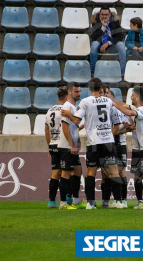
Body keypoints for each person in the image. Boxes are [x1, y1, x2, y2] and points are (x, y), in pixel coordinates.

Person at [62, 78, 124, 209]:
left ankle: (90, 203)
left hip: (94, 142)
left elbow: (77, 121)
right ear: (101, 89)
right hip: (108, 141)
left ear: (89, 88)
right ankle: (119, 202)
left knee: (91, 172)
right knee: (114, 172)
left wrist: (68, 114)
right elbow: (116, 123)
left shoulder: (85, 101)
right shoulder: (108, 101)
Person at [113, 86, 143, 209]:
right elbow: (126, 107)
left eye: (132, 95)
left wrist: (113, 104)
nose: (131, 97)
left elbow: (128, 111)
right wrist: (110, 100)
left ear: (137, 97)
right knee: (138, 174)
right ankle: (141, 202)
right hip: (141, 148)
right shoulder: (138, 108)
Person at [58, 82, 87, 210]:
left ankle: (75, 200)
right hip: (66, 147)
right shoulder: (67, 106)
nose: (78, 94)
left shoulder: (73, 107)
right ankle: (63, 203)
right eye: (76, 91)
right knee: (65, 174)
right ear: (69, 92)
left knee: (78, 171)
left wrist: (78, 139)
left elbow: (72, 126)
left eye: (79, 91)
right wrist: (71, 145)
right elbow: (64, 127)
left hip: (72, 146)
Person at [45, 87, 68, 209]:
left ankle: (51, 201)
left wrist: (49, 146)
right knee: (65, 173)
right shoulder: (65, 109)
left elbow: (46, 130)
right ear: (66, 96)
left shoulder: (50, 110)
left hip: (53, 144)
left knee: (55, 174)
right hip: (63, 144)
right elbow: (67, 127)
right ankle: (65, 201)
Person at [107, 89, 129, 208]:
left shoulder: (120, 110)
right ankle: (118, 200)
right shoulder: (106, 110)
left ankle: (122, 200)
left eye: (108, 96)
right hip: (111, 144)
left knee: (121, 172)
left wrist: (125, 127)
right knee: (113, 172)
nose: (106, 97)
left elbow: (127, 127)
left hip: (120, 143)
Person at [90, 6, 126, 76]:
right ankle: (93, 73)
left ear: (109, 14)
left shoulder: (115, 21)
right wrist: (103, 27)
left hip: (111, 44)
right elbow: (94, 37)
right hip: (100, 44)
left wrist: (108, 43)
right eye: (102, 14)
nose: (104, 16)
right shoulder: (95, 20)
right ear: (99, 14)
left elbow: (119, 36)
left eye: (106, 14)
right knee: (94, 44)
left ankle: (122, 73)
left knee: (121, 45)